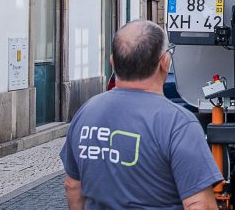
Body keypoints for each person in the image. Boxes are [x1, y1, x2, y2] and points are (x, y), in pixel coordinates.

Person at [60, 20, 222, 210]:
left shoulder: (86, 112)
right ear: (165, 62)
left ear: (112, 62)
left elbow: (72, 185)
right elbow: (200, 205)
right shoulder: (178, 123)